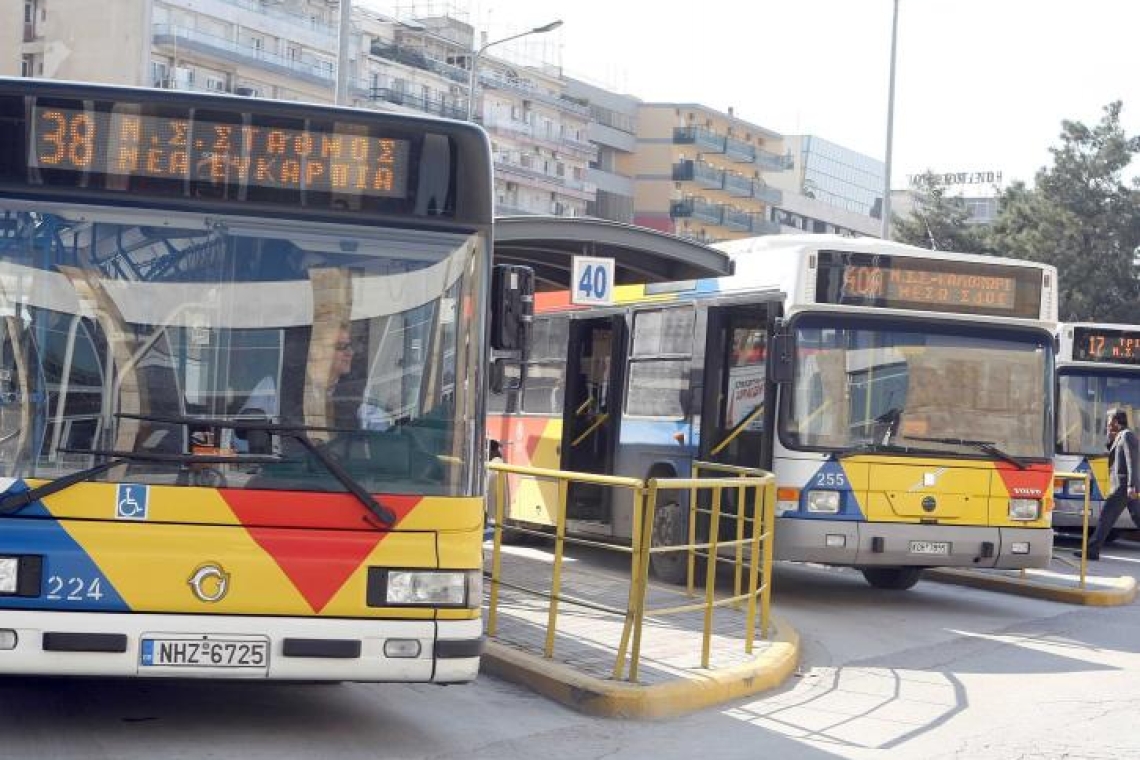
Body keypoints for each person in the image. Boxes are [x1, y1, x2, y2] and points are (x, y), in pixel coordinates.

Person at [1075, 407, 1140, 560]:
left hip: (1123, 487)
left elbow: (1132, 461)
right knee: (1136, 516)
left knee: (1106, 517)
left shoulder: (1127, 436)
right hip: (1123, 487)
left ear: (1116, 421)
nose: (1107, 424)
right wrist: (1110, 438)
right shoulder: (1120, 436)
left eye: (1109, 421)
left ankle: (1092, 550)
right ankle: (1092, 550)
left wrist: (1132, 485)